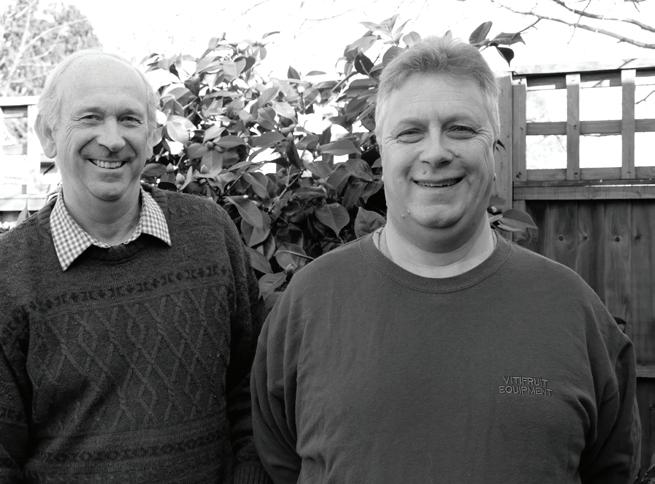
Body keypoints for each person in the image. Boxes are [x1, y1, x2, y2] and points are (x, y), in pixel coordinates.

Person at [250, 36, 640, 483]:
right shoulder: (310, 302)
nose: (435, 152)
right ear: (382, 153)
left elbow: (613, 468)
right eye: (410, 132)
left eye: (460, 129)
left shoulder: (572, 310)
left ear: (495, 151)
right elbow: (278, 460)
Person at [0, 51, 270, 483]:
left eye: (129, 119)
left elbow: (252, 388)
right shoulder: (9, 274)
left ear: (151, 135)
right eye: (89, 118)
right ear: (48, 135)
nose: (112, 140)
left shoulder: (209, 234)